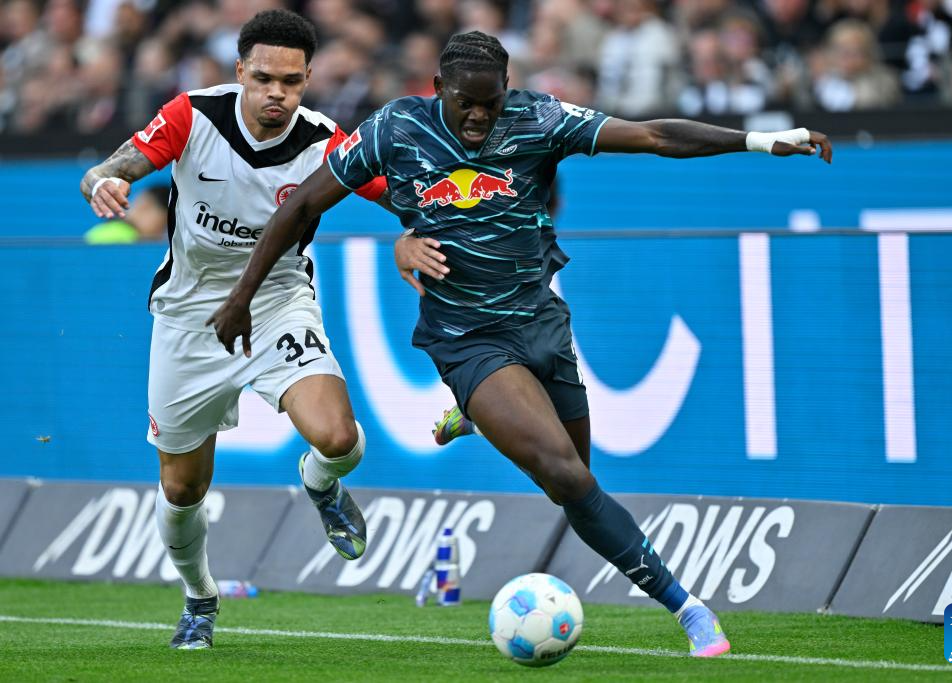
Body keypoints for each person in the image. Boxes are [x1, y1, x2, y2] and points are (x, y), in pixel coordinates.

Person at [208, 30, 832, 658]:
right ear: (438, 89)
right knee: (566, 475)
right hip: (466, 337)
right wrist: (242, 296)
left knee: (574, 482)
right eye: (465, 104)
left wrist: (759, 141)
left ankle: (481, 417)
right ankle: (688, 608)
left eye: (491, 103)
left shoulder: (539, 119)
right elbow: (301, 207)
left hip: (541, 325)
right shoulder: (395, 128)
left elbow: (654, 135)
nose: (479, 117)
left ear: (508, 91)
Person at [78, 9, 388, 650]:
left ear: (307, 80)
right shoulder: (193, 116)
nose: (278, 93)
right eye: (265, 78)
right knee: (182, 487)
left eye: (292, 82)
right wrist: (101, 182)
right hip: (189, 319)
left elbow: (404, 194)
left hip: (276, 306)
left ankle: (320, 483)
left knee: (339, 438)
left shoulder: (325, 142)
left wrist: (422, 229)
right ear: (241, 70)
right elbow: (111, 168)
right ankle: (200, 596)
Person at [83, 184, 169, 244]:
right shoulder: (121, 239)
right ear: (146, 206)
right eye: (162, 226)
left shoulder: (107, 230)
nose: (161, 235)